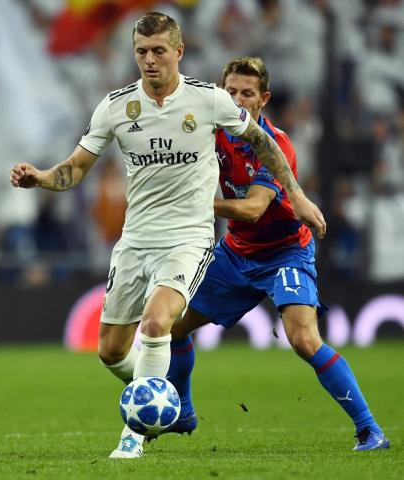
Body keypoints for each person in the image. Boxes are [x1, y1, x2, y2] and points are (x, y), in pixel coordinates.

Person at [10, 12, 326, 459]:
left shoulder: (209, 100)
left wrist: (296, 196)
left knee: (158, 324)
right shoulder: (116, 107)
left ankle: (134, 436)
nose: (150, 60)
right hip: (135, 240)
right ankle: (166, 399)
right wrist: (41, 178)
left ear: (179, 51)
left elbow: (263, 142)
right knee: (111, 352)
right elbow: (76, 168)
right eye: (142, 52)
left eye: (159, 51)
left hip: (189, 238)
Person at [165, 56, 390, 452]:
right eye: (230, 91)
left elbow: (253, 209)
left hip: (285, 253)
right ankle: (183, 409)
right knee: (174, 326)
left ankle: (370, 430)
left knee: (303, 339)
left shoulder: (276, 144)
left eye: (246, 94)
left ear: (263, 99)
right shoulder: (210, 134)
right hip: (235, 254)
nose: (236, 100)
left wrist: (196, 202)